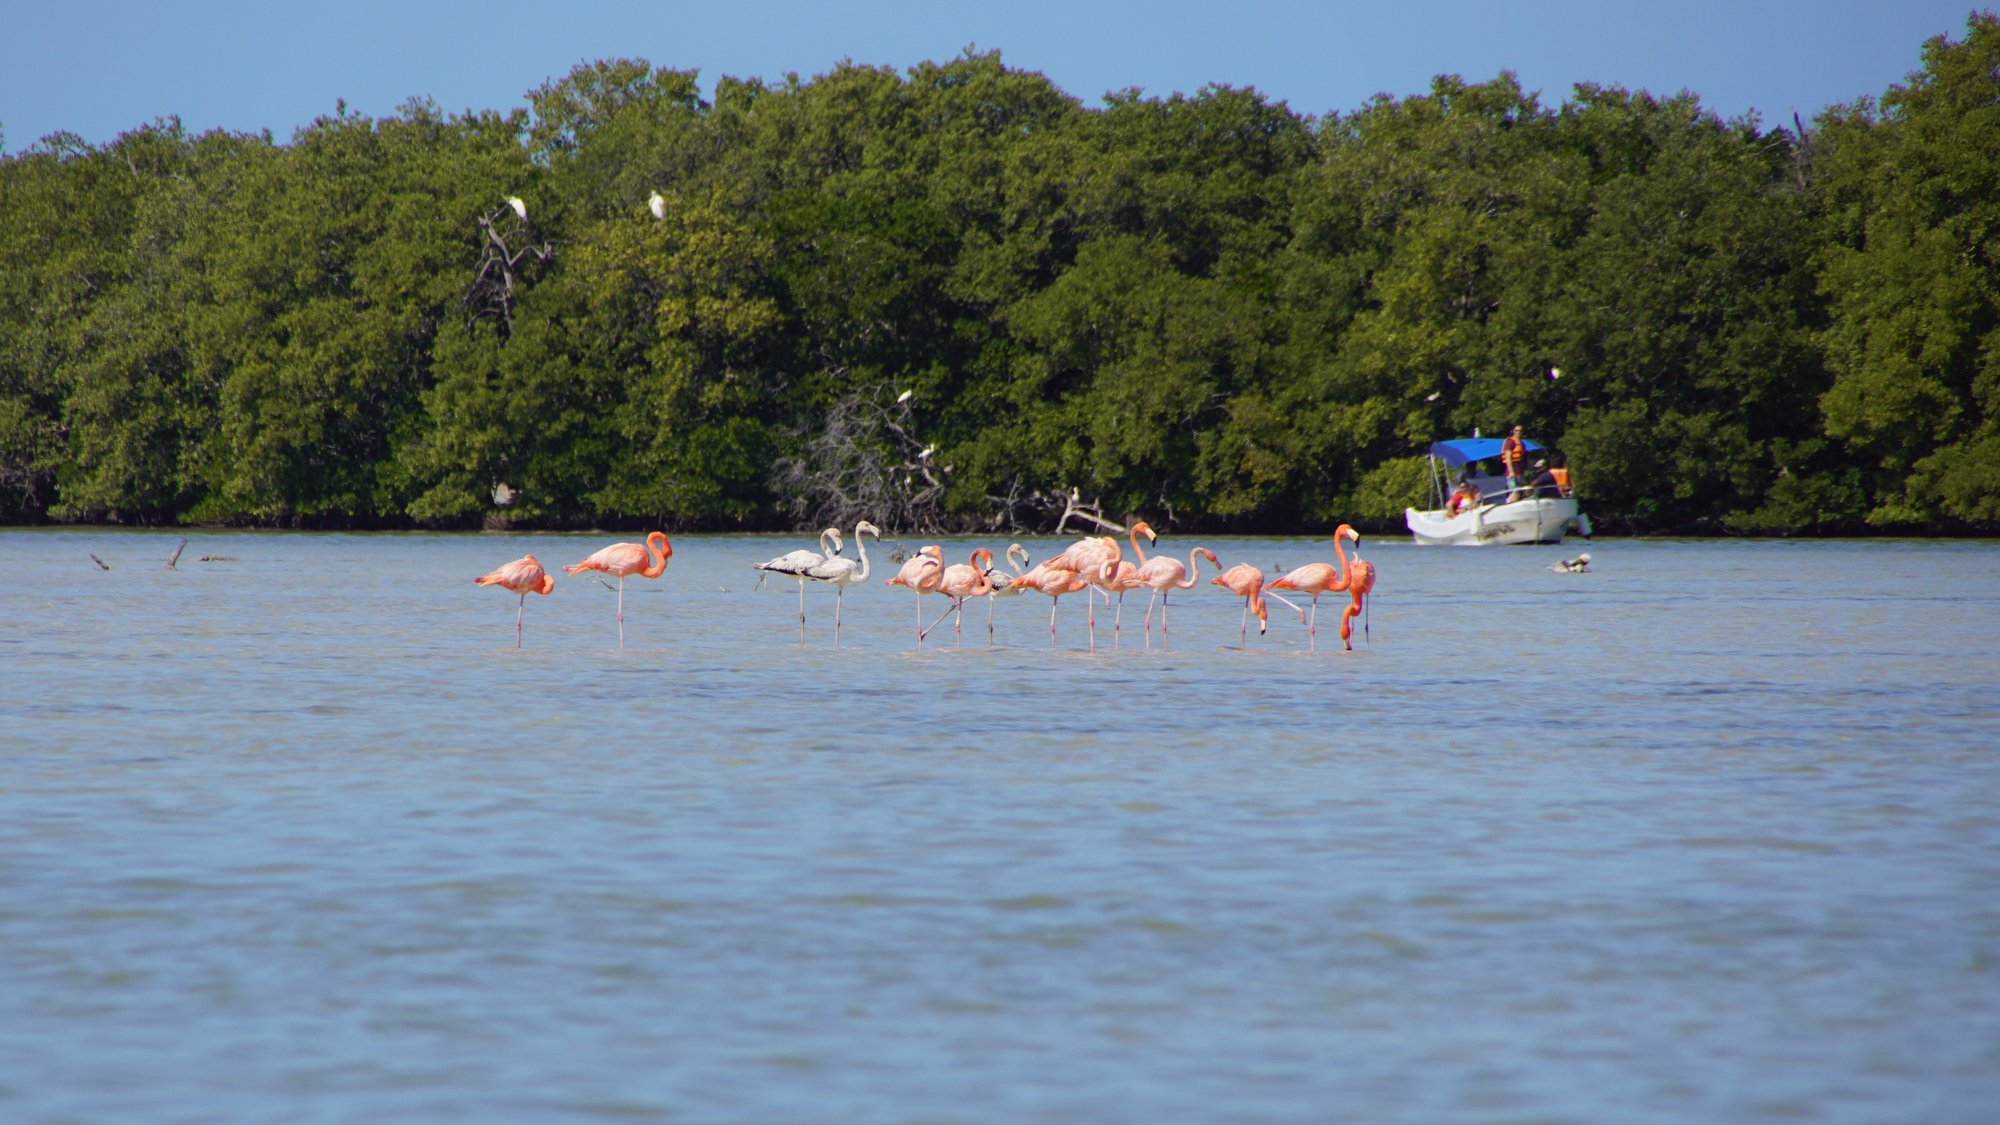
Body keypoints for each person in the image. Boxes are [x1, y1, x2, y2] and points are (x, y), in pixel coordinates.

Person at [1500, 425, 1528, 500]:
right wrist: (1511, 472)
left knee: (1519, 491)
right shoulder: (1511, 441)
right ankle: (1510, 503)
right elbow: (1508, 457)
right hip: (1511, 473)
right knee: (1514, 492)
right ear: (1513, 431)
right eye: (1516, 430)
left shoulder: (1520, 442)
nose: (1518, 432)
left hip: (1518, 472)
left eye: (1520, 431)